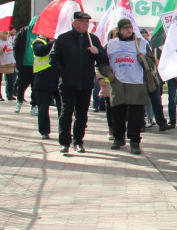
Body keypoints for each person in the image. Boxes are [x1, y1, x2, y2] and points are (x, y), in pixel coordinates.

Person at [49, 11, 108, 154]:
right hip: (68, 84)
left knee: (82, 115)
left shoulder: (92, 39)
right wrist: (64, 74)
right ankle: (64, 142)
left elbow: (104, 60)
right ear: (74, 23)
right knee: (66, 113)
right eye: (82, 22)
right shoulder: (63, 39)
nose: (85, 24)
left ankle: (78, 141)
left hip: (86, 83)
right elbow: (53, 58)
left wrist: (97, 53)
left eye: (87, 22)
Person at [101, 18, 152, 155]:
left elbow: (152, 62)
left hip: (136, 83)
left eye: (130, 28)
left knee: (136, 115)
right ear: (119, 30)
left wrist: (144, 60)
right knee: (117, 113)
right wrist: (108, 74)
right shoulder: (111, 44)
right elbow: (101, 62)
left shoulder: (141, 44)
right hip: (118, 83)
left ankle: (135, 141)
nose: (129, 30)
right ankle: (118, 138)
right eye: (125, 29)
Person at [30, 33, 60, 140]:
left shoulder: (59, 40)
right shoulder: (38, 41)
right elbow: (40, 51)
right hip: (43, 78)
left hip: (58, 76)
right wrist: (53, 42)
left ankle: (64, 130)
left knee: (63, 107)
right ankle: (44, 131)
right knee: (43, 107)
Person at [0, 30, 16, 101]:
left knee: (10, 80)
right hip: (0, 64)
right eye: (5, 33)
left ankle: (10, 95)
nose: (6, 35)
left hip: (9, 63)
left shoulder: (9, 40)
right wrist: (3, 49)